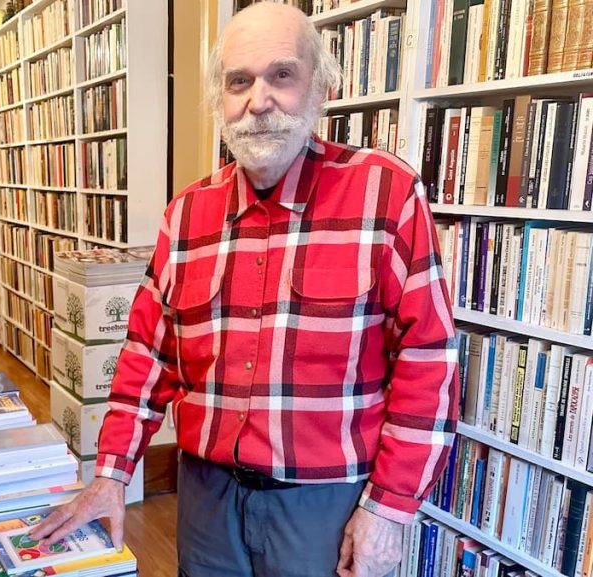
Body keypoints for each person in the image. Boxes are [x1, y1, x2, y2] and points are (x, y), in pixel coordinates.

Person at [30, 4, 459, 577]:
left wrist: (389, 509)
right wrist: (110, 474)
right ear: (220, 99)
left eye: (282, 74)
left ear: (319, 86)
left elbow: (429, 360)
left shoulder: (386, 194)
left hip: (325, 504)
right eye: (239, 81)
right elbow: (147, 356)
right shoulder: (187, 215)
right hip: (206, 498)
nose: (259, 101)